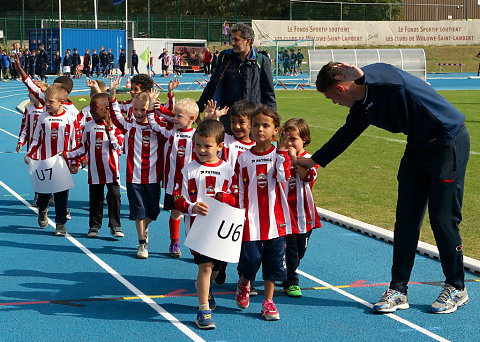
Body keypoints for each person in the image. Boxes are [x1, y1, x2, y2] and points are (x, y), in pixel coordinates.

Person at [296, 61, 470, 315]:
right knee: (406, 220)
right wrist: (313, 161)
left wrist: (364, 75)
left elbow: (391, 75)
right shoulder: (362, 109)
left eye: (332, 97)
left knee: (443, 219)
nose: (333, 103)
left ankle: (456, 286)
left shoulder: (381, 78)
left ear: (341, 89)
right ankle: (398, 290)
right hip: (418, 148)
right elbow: (345, 136)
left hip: (448, 142)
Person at [173, 119, 237, 330]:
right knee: (205, 267)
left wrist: (224, 198)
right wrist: (191, 207)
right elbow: (178, 198)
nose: (201, 149)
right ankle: (203, 310)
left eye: (207, 146)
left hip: (221, 229)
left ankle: (208, 288)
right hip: (197, 229)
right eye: (198, 144)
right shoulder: (188, 169)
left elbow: (237, 197)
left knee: (216, 268)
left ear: (220, 146)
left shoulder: (228, 170)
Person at [235, 105, 294, 321]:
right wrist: (238, 213)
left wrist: (282, 152)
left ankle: (268, 302)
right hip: (250, 219)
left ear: (275, 130)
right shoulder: (243, 158)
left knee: (273, 263)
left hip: (276, 220)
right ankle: (244, 281)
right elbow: (239, 187)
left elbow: (282, 177)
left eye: (266, 125)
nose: (260, 129)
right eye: (256, 125)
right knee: (250, 259)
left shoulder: (280, 155)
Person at [109, 76, 164, 259]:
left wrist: (164, 101)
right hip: (133, 177)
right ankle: (142, 243)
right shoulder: (130, 126)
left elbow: (173, 121)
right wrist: (112, 93)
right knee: (139, 211)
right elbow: (116, 115)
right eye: (136, 109)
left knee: (153, 212)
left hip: (154, 177)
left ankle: (144, 228)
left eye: (143, 109)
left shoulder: (157, 128)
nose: (139, 113)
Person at [197, 23, 276, 135]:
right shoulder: (226, 58)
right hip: (227, 120)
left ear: (248, 41)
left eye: (236, 40)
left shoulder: (261, 60)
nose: (232, 43)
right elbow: (212, 85)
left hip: (252, 120)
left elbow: (269, 94)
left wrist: (272, 121)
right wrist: (198, 107)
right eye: (232, 39)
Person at [64, 92, 124, 239]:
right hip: (95, 171)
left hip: (111, 171)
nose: (91, 110)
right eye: (90, 107)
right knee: (95, 199)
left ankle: (115, 226)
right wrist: (67, 154)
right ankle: (94, 226)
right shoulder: (88, 126)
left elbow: (118, 147)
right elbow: (82, 148)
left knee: (114, 197)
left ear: (106, 109)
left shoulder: (116, 127)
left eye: (94, 107)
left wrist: (109, 130)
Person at [147, 97, 199, 259]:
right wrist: (150, 109)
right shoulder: (170, 133)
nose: (174, 118)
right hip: (173, 184)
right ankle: (174, 242)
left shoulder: (198, 136)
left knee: (193, 216)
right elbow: (154, 124)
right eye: (174, 115)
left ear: (191, 119)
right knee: (176, 213)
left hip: (192, 185)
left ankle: (195, 246)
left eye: (178, 116)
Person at [24, 84, 79, 235]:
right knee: (43, 195)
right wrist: (30, 155)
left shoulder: (69, 119)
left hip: (62, 164)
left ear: (62, 102)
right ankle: (43, 210)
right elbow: (36, 139)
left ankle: (60, 223)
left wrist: (75, 161)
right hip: (44, 162)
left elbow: (75, 142)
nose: (47, 104)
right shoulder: (42, 118)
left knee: (62, 196)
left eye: (51, 102)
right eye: (46, 101)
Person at [280, 118, 321, 297]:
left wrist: (294, 159)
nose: (290, 143)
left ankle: (288, 270)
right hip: (282, 213)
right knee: (287, 249)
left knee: (299, 251)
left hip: (304, 215)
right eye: (286, 138)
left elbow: (307, 177)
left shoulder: (310, 159)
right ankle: (291, 280)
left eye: (294, 139)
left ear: (304, 139)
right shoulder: (278, 155)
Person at [16, 81, 48, 207]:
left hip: (45, 146)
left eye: (31, 93)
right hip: (32, 146)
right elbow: (25, 127)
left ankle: (47, 194)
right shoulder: (28, 109)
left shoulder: (47, 110)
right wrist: (21, 141)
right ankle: (37, 195)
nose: (29, 95)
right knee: (34, 171)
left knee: (46, 170)